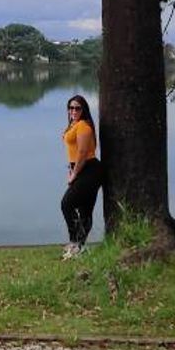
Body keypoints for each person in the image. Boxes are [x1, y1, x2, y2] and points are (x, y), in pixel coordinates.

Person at [60, 94, 103, 259]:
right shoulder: (74, 124)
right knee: (83, 210)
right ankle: (79, 246)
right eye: (71, 107)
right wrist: (71, 170)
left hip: (90, 170)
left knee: (67, 204)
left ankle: (75, 242)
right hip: (79, 168)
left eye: (77, 108)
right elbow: (73, 152)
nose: (73, 110)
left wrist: (74, 174)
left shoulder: (84, 126)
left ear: (83, 109)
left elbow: (83, 152)